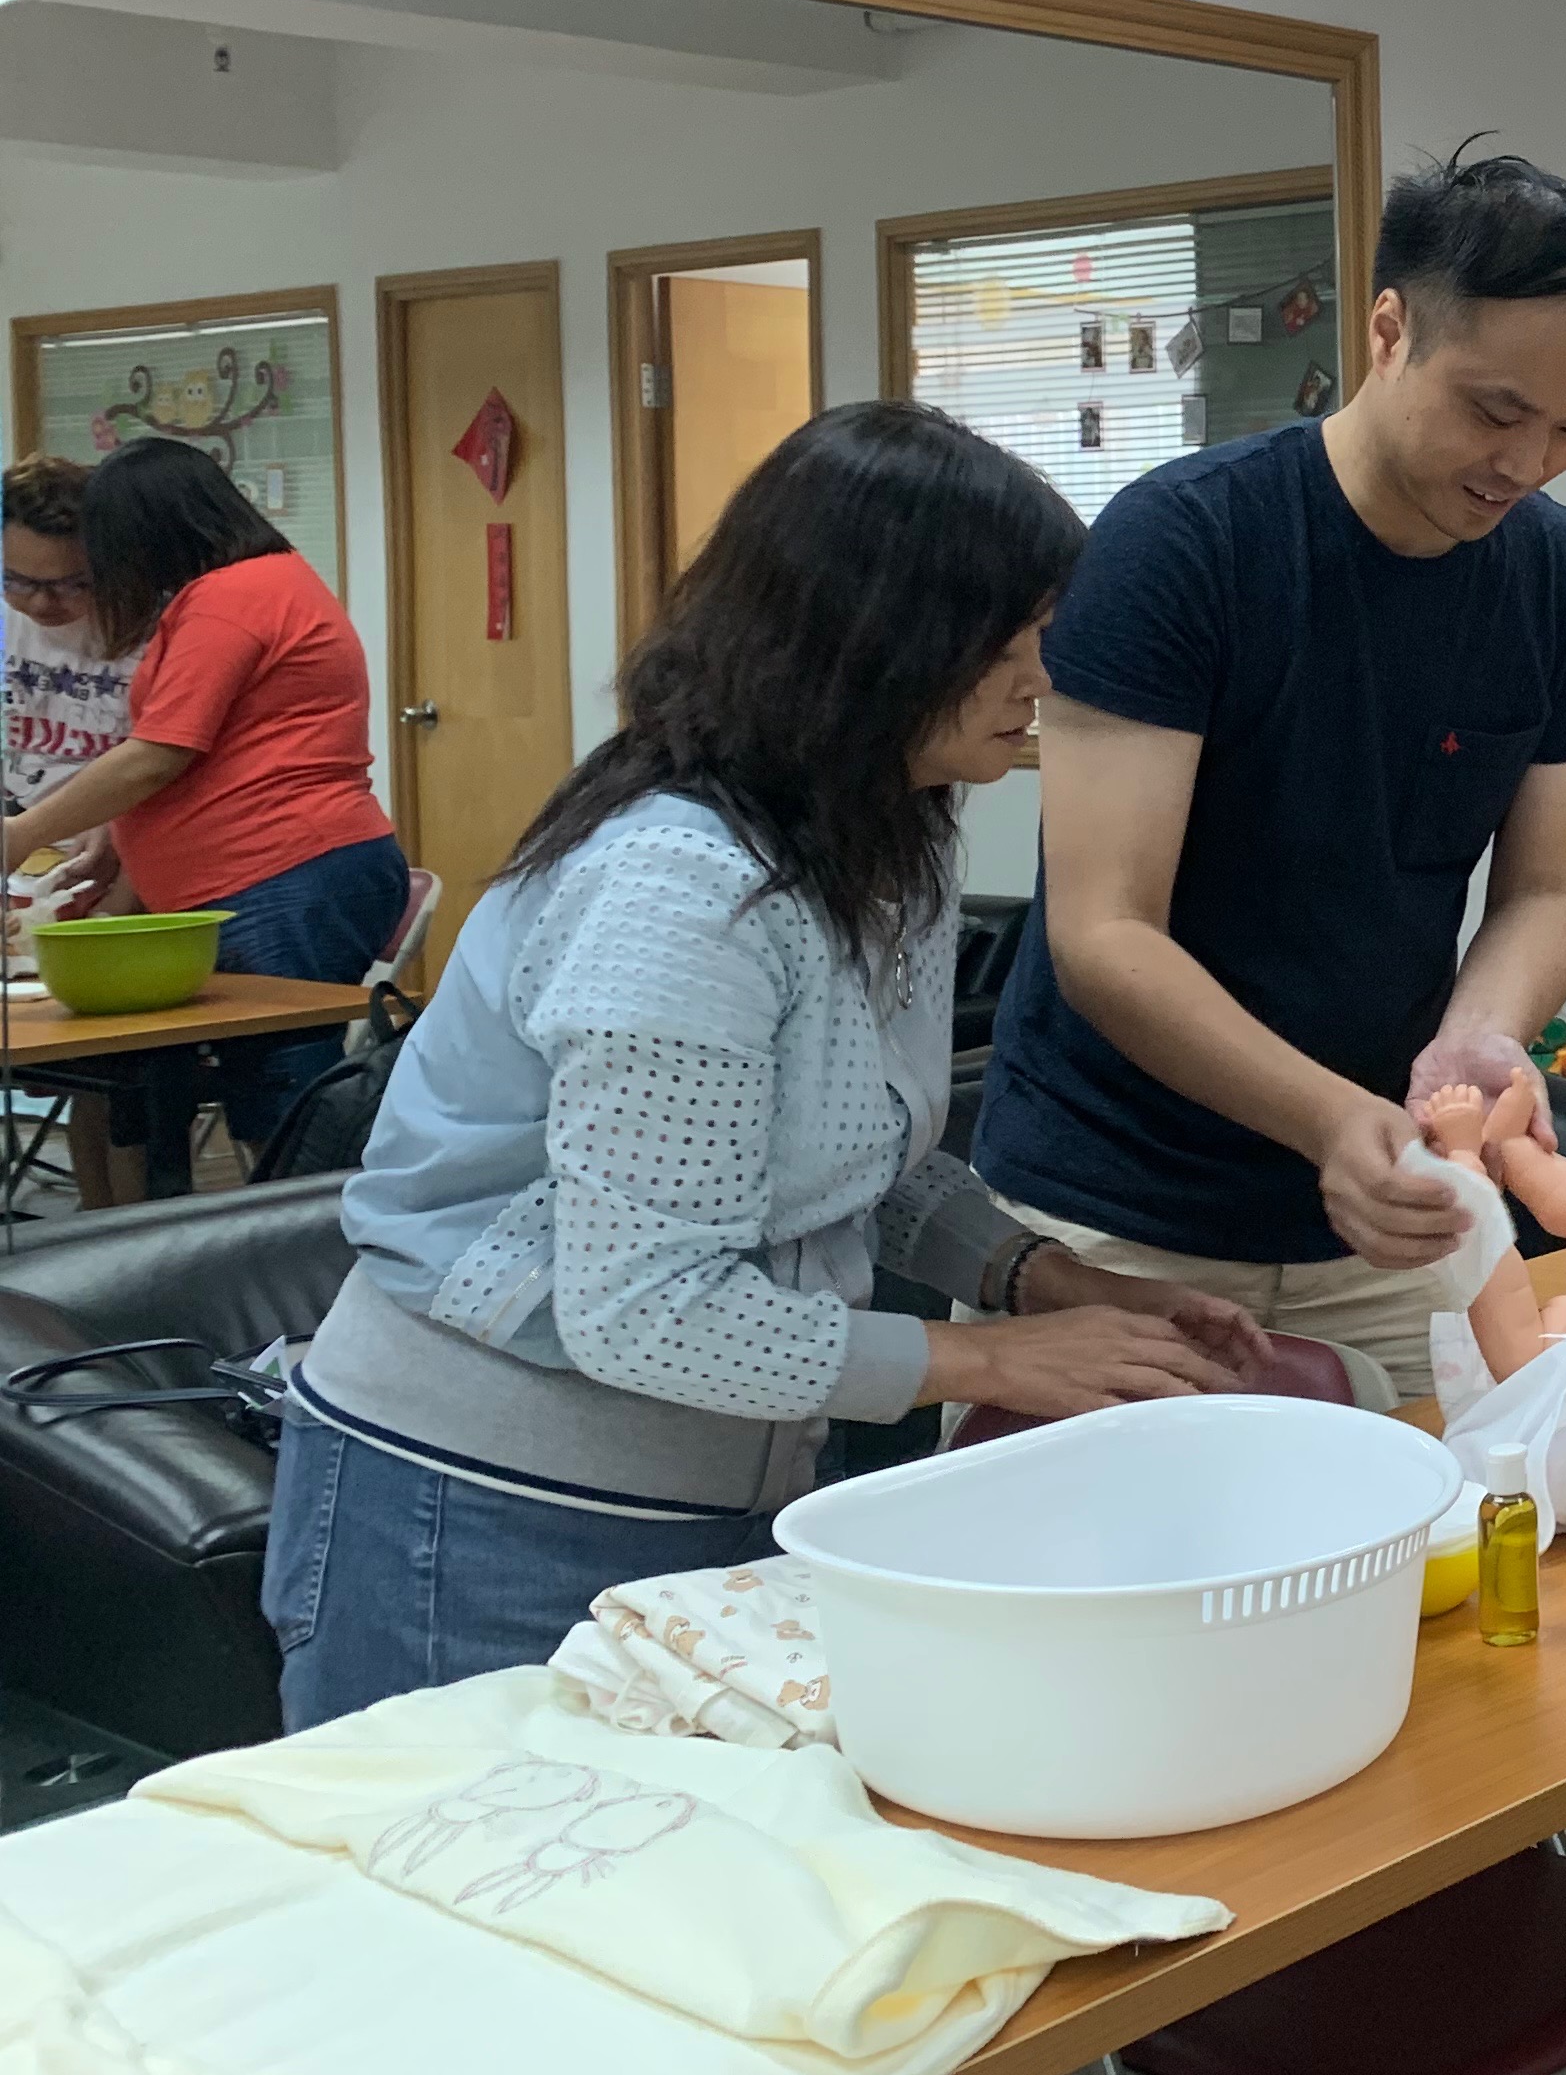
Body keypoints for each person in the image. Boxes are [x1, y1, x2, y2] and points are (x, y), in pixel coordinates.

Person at [272, 403, 1261, 1728]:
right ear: (878, 638)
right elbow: (648, 1310)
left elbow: (847, 1147)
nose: (1045, 673)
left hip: (723, 1484)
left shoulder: (886, 835)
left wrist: (1041, 1275)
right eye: (1011, 638)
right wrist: (996, 1362)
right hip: (479, 1507)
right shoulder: (678, 890)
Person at [973, 147, 1566, 1398]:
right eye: (1496, 412)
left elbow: (1547, 891)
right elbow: (1105, 931)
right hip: (1119, 1214)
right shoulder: (1184, 544)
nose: (1527, 464)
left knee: (1458, 1507)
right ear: (1389, 332)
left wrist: (1478, 1042)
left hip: (1392, 1212)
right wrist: (1329, 1119)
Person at [0, 439, 406, 1183]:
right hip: (267, 877)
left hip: (283, 870)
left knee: (285, 1101)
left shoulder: (233, 598)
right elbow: (194, 750)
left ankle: (304, 1243)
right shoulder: (243, 589)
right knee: (248, 1091)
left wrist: (20, 835)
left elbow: (160, 752)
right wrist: (119, 841)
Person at [3, 453, 129, 929]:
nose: (41, 603)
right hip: (25, 849)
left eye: (70, 585)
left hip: (134, 849)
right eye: (17, 581)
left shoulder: (149, 625)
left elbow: (169, 764)